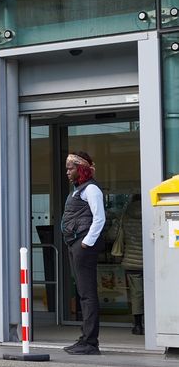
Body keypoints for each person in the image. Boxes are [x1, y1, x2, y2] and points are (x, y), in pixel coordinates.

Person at [62, 150, 105, 355]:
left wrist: (86, 243)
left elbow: (100, 218)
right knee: (83, 294)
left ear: (81, 169)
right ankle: (85, 338)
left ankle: (90, 342)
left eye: (70, 168)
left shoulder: (91, 190)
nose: (67, 172)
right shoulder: (79, 189)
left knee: (87, 295)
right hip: (76, 244)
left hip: (83, 245)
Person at [117, 195, 144, 335]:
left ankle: (138, 325)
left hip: (132, 263)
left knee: (136, 294)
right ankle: (154, 322)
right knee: (154, 293)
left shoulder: (125, 217)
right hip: (151, 263)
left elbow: (112, 236)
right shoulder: (149, 215)